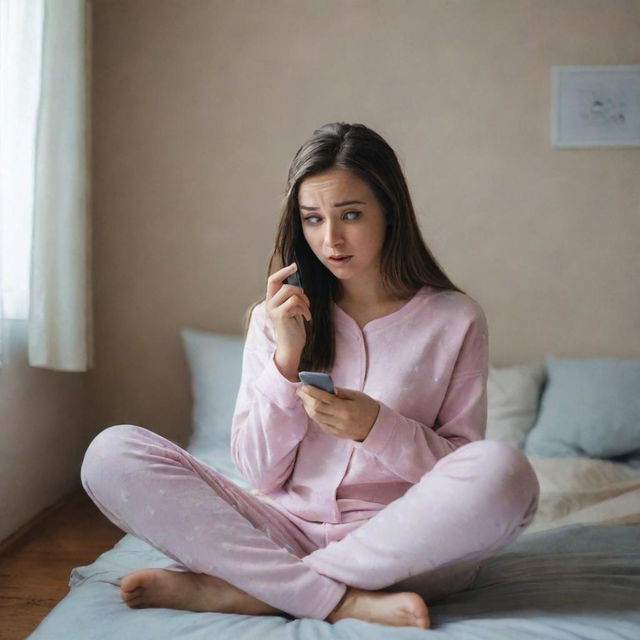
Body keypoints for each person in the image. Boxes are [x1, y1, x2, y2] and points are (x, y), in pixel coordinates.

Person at [80, 122, 540, 630]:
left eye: (350, 215)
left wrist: (376, 427)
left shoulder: (455, 319)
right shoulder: (275, 317)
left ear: (390, 210)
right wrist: (286, 358)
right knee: (111, 452)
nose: (330, 239)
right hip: (281, 529)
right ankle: (335, 597)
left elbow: (461, 463)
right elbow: (258, 474)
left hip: (399, 543)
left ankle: (254, 590)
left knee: (504, 471)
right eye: (313, 219)